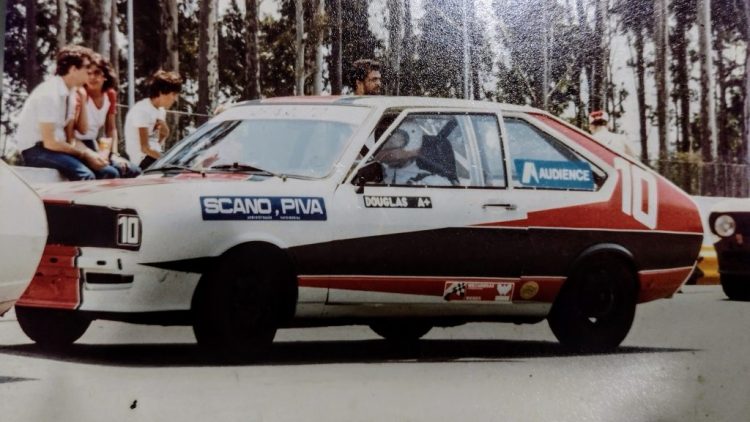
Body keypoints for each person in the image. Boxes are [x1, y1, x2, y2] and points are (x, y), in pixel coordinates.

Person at [16, 44, 112, 180]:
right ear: (73, 69)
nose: (89, 72)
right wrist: (85, 154)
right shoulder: (49, 93)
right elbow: (50, 142)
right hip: (35, 150)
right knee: (86, 176)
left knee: (108, 173)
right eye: (86, 68)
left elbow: (72, 136)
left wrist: (91, 154)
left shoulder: (70, 93)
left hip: (56, 148)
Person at [70, 53, 140, 178]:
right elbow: (70, 134)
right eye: (88, 73)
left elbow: (111, 129)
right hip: (77, 145)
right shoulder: (79, 94)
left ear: (105, 76)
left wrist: (113, 154)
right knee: (110, 173)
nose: (92, 77)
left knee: (133, 170)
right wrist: (91, 154)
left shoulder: (110, 94)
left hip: (92, 143)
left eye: (97, 73)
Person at [124, 70, 182, 170]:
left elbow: (158, 138)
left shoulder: (161, 111)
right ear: (161, 92)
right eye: (173, 94)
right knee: (176, 168)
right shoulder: (142, 110)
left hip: (153, 156)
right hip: (140, 159)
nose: (175, 99)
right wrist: (166, 160)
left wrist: (164, 135)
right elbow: (145, 148)